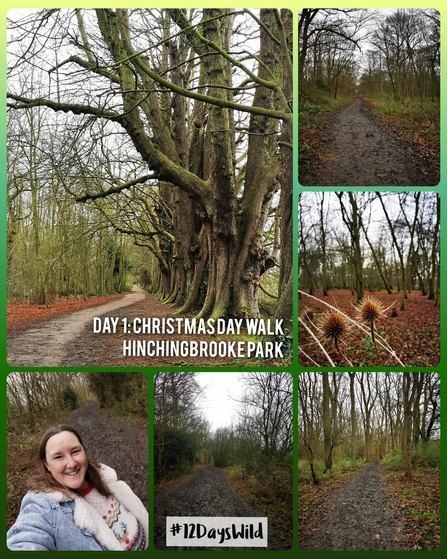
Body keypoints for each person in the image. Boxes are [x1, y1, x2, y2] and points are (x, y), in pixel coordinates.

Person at [7, 424, 148, 551]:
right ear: (46, 465)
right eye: (58, 457)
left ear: (84, 451)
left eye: (75, 451)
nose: (71, 463)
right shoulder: (44, 506)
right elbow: (27, 539)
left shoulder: (104, 476)